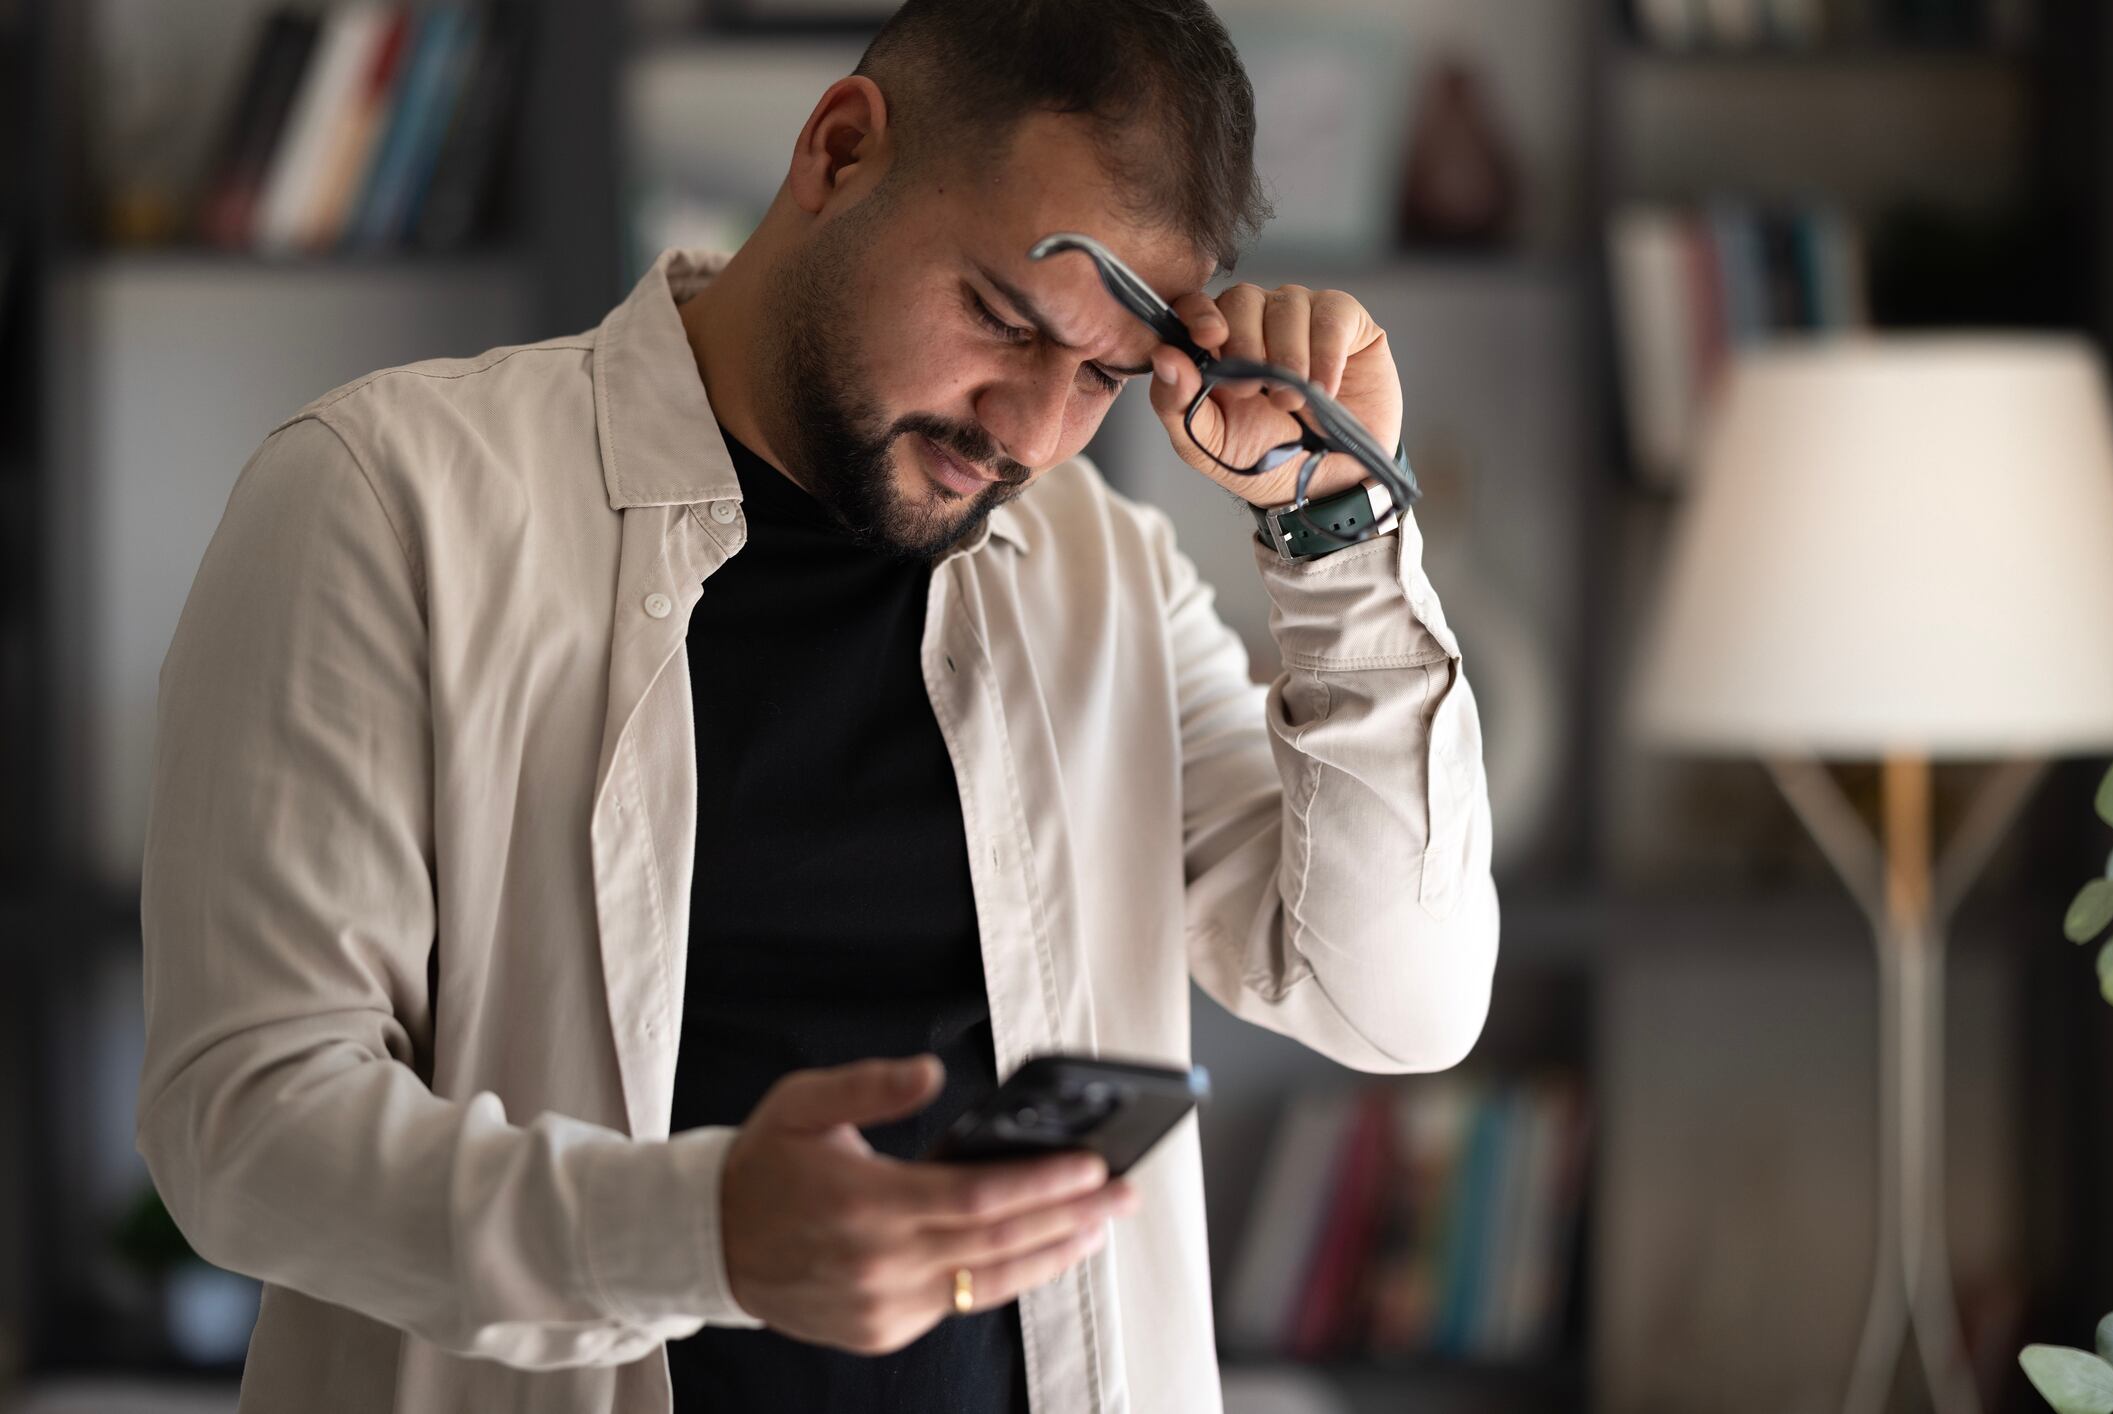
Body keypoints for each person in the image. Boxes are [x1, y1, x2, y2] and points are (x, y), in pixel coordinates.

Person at [134, 0, 1499, 1409]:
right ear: (840, 151)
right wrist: (699, 1233)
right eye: (1000, 316)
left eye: (1099, 375)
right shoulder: (385, 500)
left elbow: (1397, 1002)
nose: (1030, 428)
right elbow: (245, 1128)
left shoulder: (1101, 575)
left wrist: (1335, 531)